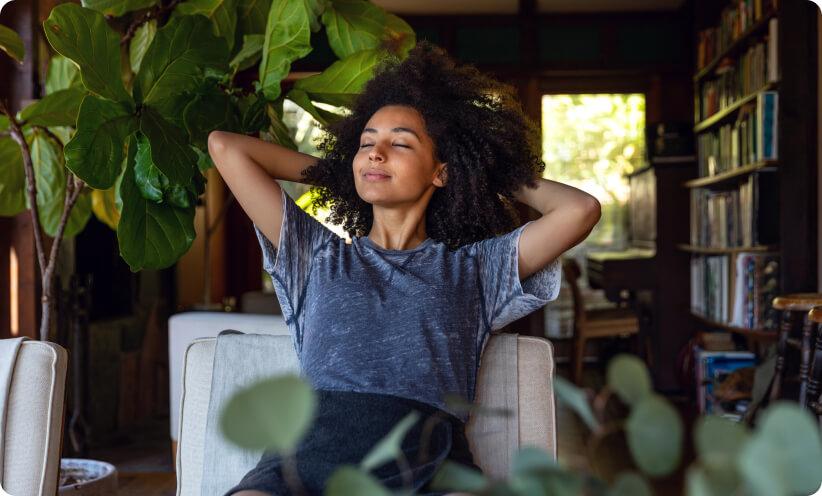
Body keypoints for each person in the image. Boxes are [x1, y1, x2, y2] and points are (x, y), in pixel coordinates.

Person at [207, 40, 601, 496]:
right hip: (304, 457)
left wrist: (482, 171)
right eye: (366, 143)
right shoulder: (315, 255)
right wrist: (342, 175)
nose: (376, 153)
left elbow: (580, 209)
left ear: (440, 171)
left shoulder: (475, 270)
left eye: (400, 144)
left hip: (427, 464)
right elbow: (226, 148)